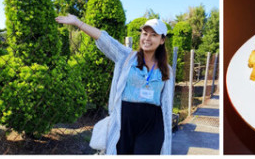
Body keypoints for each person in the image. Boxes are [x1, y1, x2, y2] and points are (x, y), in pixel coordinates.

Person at [56, 15, 174, 155]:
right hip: (124, 121)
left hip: (152, 125)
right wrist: (78, 22)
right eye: (145, 33)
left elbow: (166, 104)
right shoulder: (126, 56)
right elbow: (104, 39)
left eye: (153, 35)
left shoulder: (167, 70)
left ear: (162, 40)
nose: (147, 38)